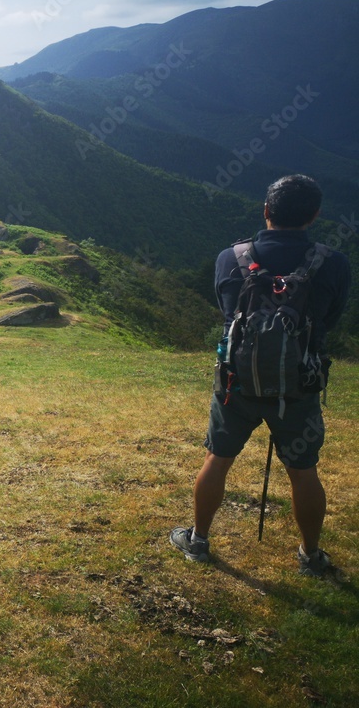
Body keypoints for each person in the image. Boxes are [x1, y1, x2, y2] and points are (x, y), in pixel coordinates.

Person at [170, 174, 350, 576]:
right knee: (303, 472)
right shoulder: (332, 263)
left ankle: (197, 541)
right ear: (315, 216)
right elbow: (329, 320)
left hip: (237, 385)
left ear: (266, 211)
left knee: (218, 459)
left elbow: (226, 311)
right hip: (298, 388)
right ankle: (310, 556)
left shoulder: (230, 258)